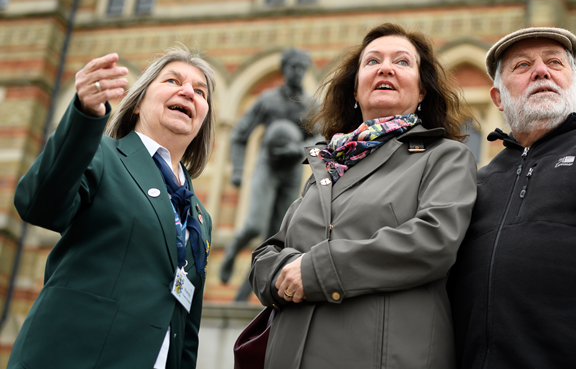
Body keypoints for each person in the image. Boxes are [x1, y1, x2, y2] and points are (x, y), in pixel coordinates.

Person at [249, 23, 477, 368]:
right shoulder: (328, 164)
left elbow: (434, 240)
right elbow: (271, 250)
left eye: (402, 62)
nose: (385, 68)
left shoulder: (444, 156)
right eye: (372, 62)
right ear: (354, 90)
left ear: (422, 92)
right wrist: (278, 274)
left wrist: (315, 270)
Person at [447, 27, 576, 368]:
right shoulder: (477, 183)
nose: (541, 71)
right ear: (497, 97)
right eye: (522, 66)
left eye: (555, 62)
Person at [8, 47, 216, 369]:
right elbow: (38, 205)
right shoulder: (103, 155)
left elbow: (187, 326)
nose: (188, 91)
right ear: (136, 105)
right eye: (172, 80)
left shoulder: (199, 216)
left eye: (200, 91)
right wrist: (85, 116)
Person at [220, 48, 311, 301]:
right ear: (284, 68)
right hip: (267, 166)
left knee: (276, 242)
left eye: (302, 68)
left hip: (291, 171)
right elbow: (239, 134)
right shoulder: (268, 99)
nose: (298, 72)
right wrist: (237, 170)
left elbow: (321, 138)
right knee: (254, 225)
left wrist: (300, 149)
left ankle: (242, 295)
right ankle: (231, 252)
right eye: (293, 67)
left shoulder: (310, 105)